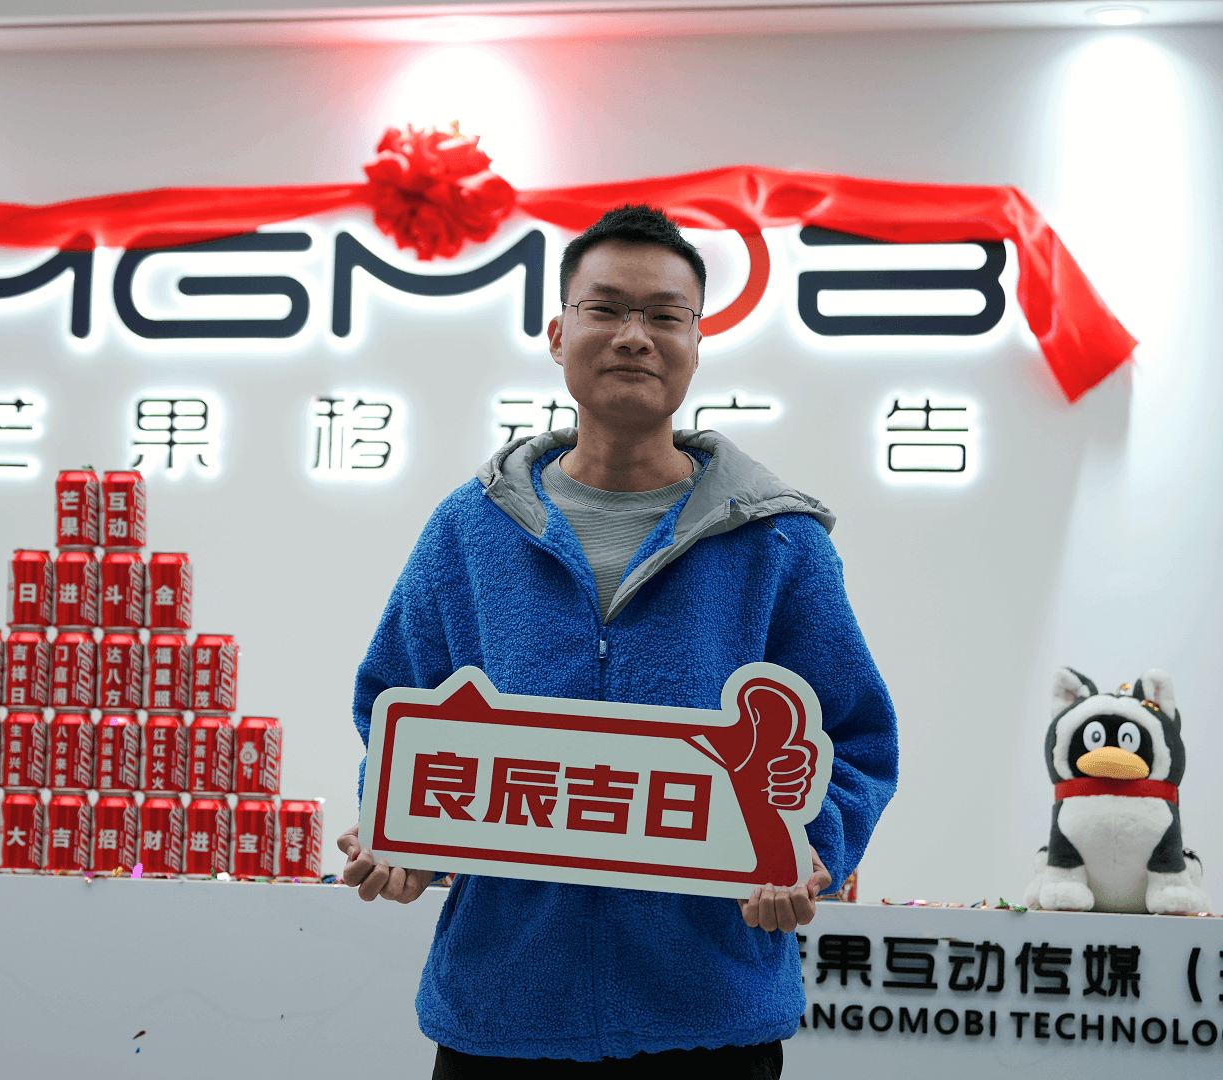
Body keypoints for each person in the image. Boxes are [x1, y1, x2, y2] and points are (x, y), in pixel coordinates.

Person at [337, 204, 899, 1078]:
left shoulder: (778, 544)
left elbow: (855, 735)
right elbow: (395, 704)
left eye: (665, 316)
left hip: (710, 1015)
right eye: (605, 309)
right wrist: (403, 831)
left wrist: (806, 847)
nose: (635, 336)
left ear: (697, 345)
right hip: (501, 1009)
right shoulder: (469, 531)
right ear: (558, 334)